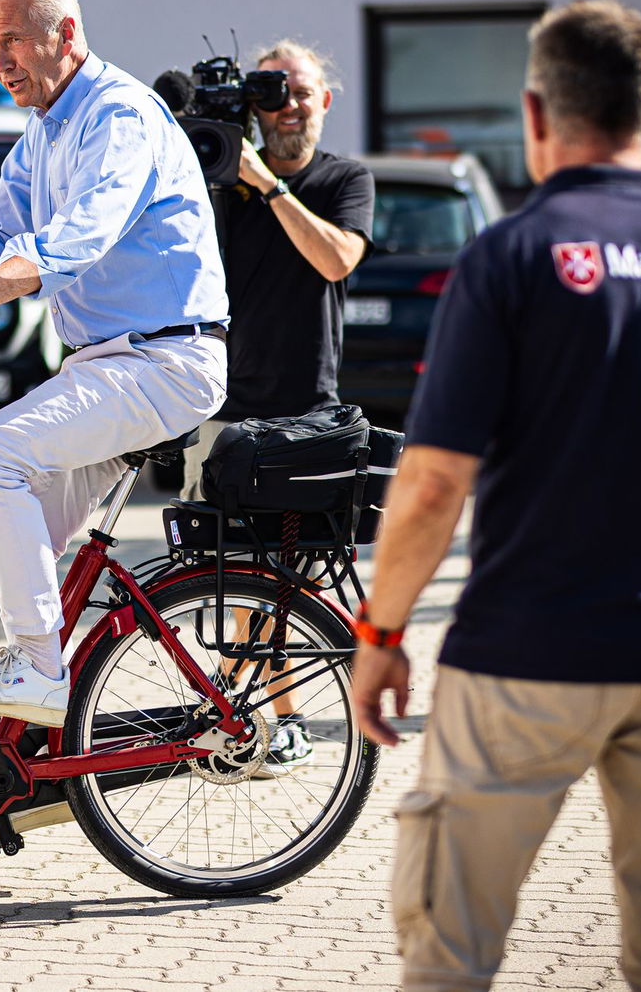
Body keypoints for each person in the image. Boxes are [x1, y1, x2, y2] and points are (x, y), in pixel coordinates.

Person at [348, 0, 641, 992]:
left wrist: (378, 639)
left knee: (450, 955)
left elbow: (427, 487)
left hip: (519, 660)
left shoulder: (508, 257)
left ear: (532, 115)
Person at [0, 0, 227, 730]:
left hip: (164, 360)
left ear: (65, 32)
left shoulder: (118, 117)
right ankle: (41, 714)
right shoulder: (46, 129)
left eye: (12, 40)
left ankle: (41, 671)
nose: (1, 62)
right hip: (112, 362)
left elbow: (73, 240)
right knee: (6, 554)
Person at [180, 41, 375, 770]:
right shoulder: (215, 181)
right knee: (233, 577)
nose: (290, 106)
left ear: (326, 100)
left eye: (303, 92)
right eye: (275, 93)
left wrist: (265, 184)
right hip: (220, 408)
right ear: (254, 106)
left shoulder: (342, 179)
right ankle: (255, 718)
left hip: (306, 412)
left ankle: (255, 717)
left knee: (291, 584)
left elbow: (335, 260)